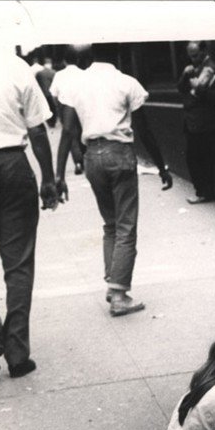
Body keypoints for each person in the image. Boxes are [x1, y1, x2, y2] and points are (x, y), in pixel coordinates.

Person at [0, 43, 60, 379]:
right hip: (13, 166)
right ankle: (17, 352)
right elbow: (37, 129)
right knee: (18, 263)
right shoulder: (17, 67)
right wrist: (49, 178)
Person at [55, 44, 173, 317]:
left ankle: (113, 284)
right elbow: (143, 128)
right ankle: (119, 295)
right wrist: (161, 167)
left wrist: (59, 174)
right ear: (119, 55)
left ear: (91, 55)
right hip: (120, 154)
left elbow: (68, 130)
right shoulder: (127, 83)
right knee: (126, 226)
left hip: (92, 156)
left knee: (110, 224)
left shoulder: (77, 85)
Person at [178, 41, 215, 205]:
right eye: (190, 56)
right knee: (195, 158)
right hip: (192, 120)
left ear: (203, 51)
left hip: (203, 121)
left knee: (199, 158)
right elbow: (180, 89)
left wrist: (199, 88)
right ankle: (203, 191)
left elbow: (211, 97)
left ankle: (204, 192)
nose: (193, 59)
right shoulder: (193, 68)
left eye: (195, 55)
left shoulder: (210, 68)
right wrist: (184, 75)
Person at [50, 47, 86, 175]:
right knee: (83, 133)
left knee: (71, 135)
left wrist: (59, 108)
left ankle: (77, 162)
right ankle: (85, 159)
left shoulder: (59, 75)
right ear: (78, 59)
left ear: (64, 61)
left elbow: (53, 94)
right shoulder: (84, 74)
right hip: (82, 107)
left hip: (65, 107)